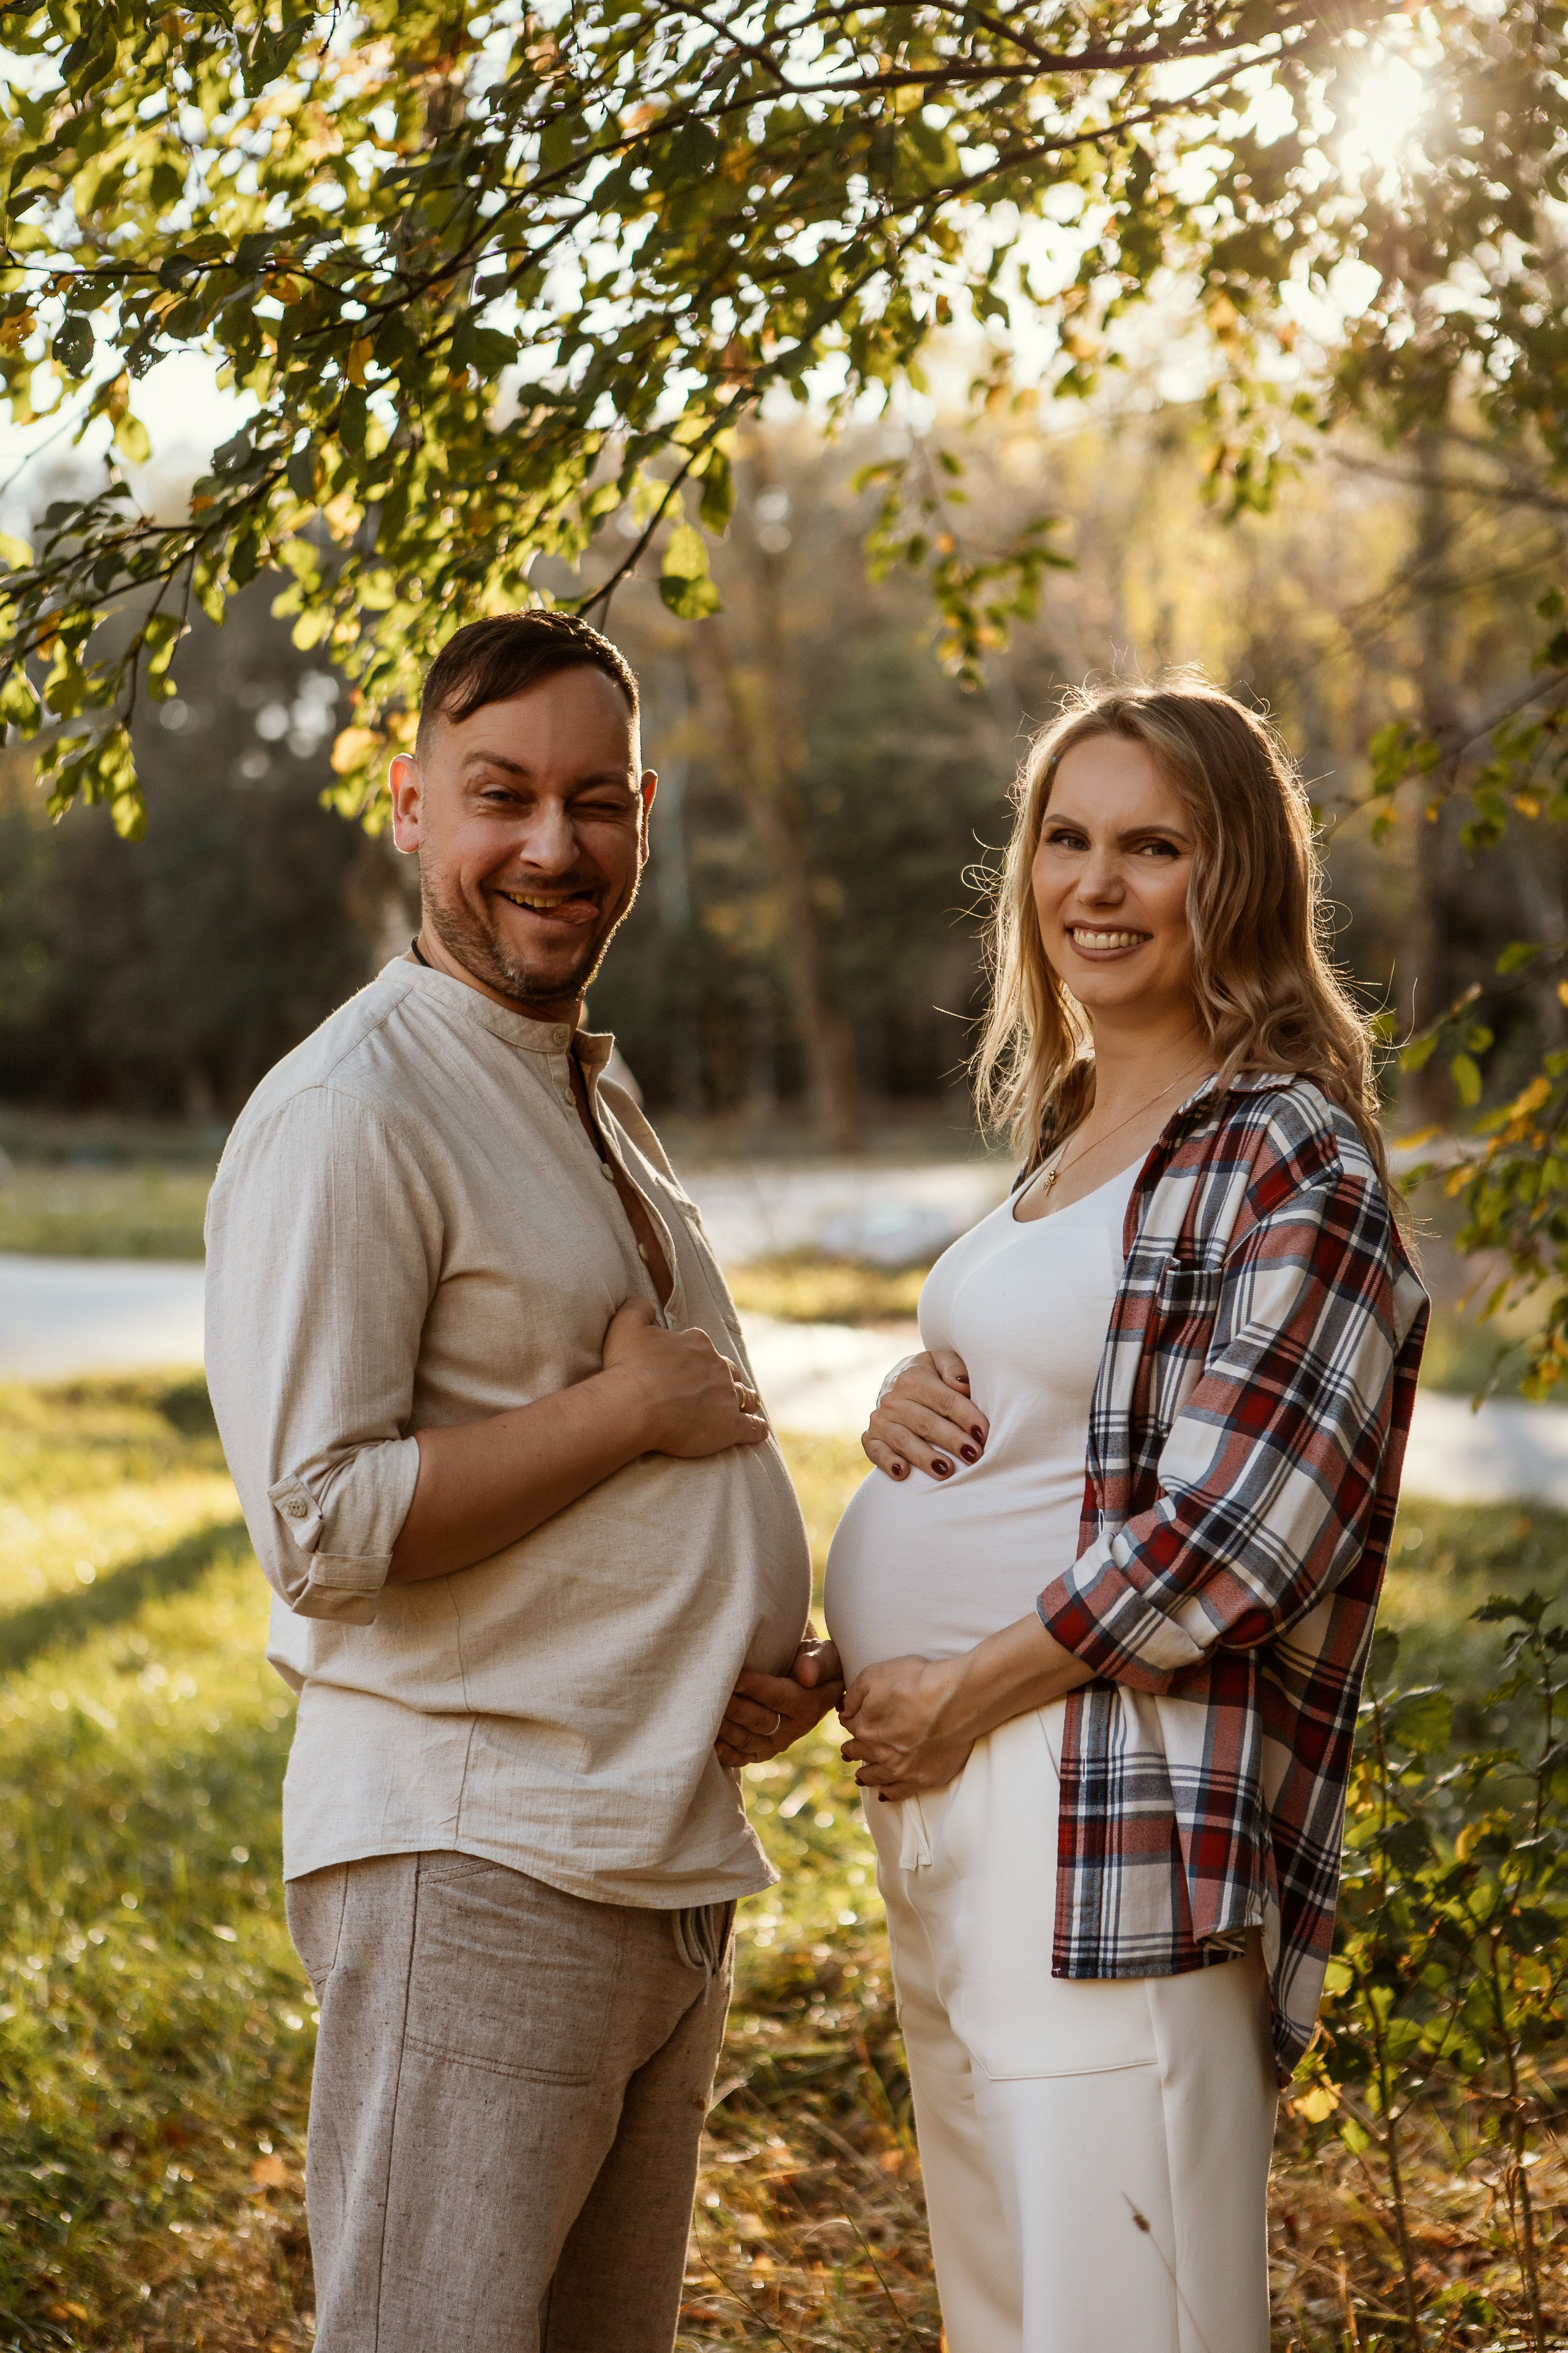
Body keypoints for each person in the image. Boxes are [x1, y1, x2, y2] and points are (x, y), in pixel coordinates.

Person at [205, 611, 842, 2353]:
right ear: (412, 806)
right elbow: (320, 1526)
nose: (552, 846)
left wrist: (732, 1662)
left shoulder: (577, 1083)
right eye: (501, 796)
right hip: (477, 1866)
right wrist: (627, 1417)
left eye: (593, 801)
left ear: (645, 813)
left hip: (645, 1854)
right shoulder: (356, 1108)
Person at [823, 679, 1427, 2353]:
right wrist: (907, 1405)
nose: (1094, 884)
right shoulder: (1072, 1135)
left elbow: (1241, 1529)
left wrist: (963, 1688)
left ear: (1235, 875)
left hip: (1104, 1814)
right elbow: (1067, 1416)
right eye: (1066, 839)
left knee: (1120, 2318)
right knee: (1005, 2308)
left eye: (1150, 845)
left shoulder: (1292, 1158)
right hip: (953, 1799)